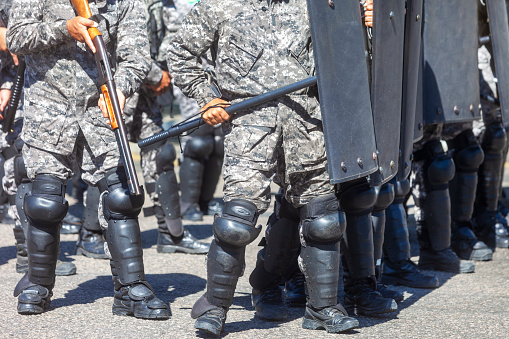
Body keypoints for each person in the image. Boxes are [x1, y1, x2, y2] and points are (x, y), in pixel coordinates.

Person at [168, 0, 359, 335]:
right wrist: (207, 98)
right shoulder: (220, 5)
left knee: (324, 220)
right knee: (236, 222)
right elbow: (180, 53)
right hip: (249, 127)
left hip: (309, 124)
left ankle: (323, 308)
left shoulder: (315, 3)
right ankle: (215, 308)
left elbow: (350, 48)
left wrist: (365, 22)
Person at [6, 0, 168, 318]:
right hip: (49, 106)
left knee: (121, 196)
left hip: (101, 108)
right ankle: (38, 284)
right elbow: (17, 37)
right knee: (45, 199)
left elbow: (136, 54)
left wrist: (121, 89)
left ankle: (130, 289)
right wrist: (65, 29)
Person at [76, 0, 209, 259]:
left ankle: (172, 233)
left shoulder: (157, 4)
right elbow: (109, 45)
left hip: (145, 95)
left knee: (162, 156)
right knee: (105, 161)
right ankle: (91, 234)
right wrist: (157, 76)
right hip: (110, 89)